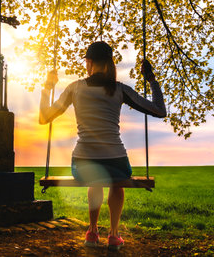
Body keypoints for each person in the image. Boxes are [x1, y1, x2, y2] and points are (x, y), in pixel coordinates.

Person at [39, 41, 166, 251]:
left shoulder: (75, 88)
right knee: (116, 181)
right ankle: (114, 235)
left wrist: (47, 87)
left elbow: (44, 118)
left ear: (88, 63)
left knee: (94, 177)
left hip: (82, 163)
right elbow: (160, 111)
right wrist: (151, 80)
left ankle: (92, 230)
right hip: (116, 160)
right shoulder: (120, 90)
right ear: (110, 63)